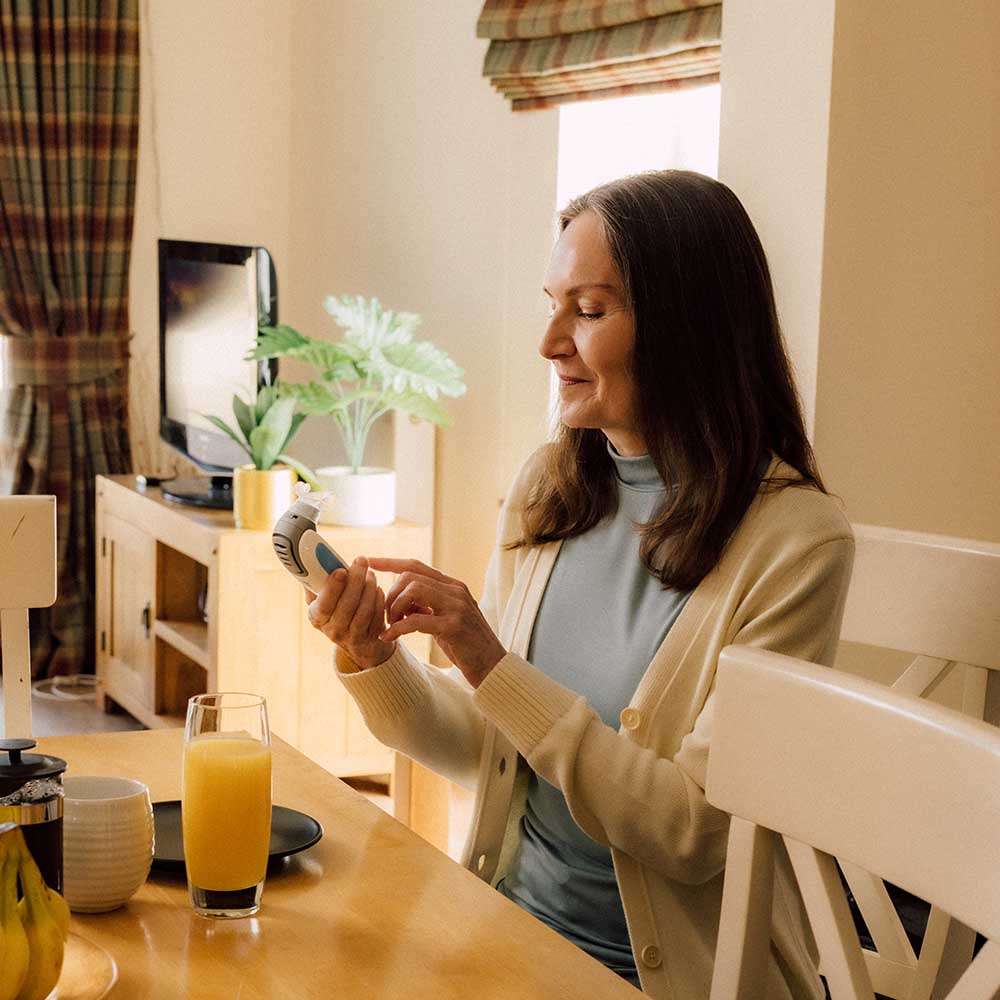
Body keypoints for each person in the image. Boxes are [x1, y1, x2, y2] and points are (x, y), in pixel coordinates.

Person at [305, 170, 854, 999]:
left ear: (686, 328)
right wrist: (374, 658)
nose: (550, 340)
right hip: (508, 936)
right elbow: (493, 754)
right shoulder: (550, 488)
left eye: (589, 312)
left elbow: (692, 830)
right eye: (553, 303)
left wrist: (493, 667)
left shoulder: (796, 542)